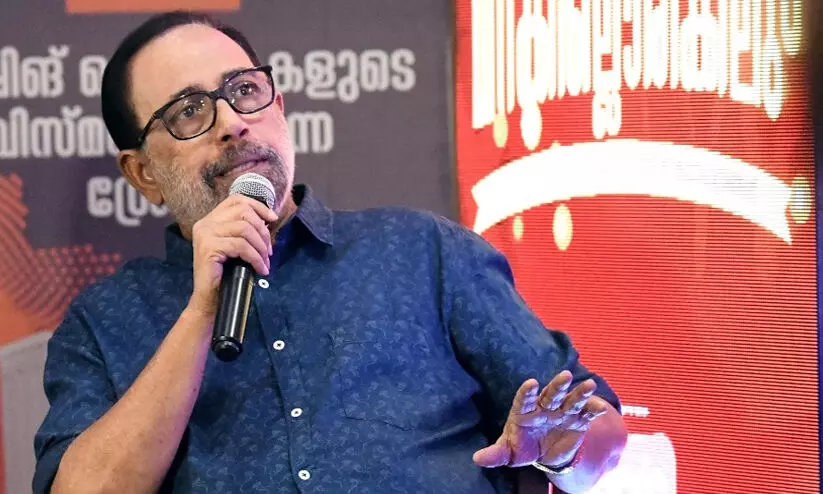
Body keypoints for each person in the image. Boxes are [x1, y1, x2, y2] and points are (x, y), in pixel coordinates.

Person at [33, 11, 627, 494]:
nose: (232, 123)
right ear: (143, 174)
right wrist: (201, 311)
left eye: (244, 91)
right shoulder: (104, 321)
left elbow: (597, 430)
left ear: (280, 108)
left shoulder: (423, 252)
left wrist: (564, 454)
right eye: (189, 111)